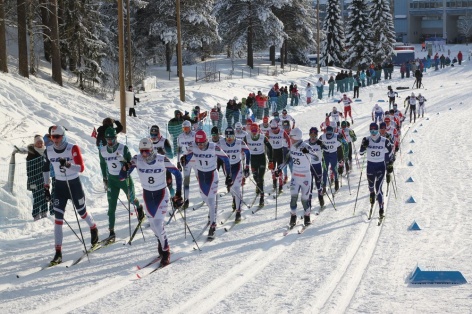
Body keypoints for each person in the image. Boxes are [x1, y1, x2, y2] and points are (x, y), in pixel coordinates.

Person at [121, 138, 183, 266]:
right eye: (142, 151)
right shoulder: (136, 159)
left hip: (161, 194)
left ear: (152, 150)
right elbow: (122, 177)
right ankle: (161, 241)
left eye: (147, 152)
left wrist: (178, 194)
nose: (144, 155)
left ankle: (166, 252)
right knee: (154, 226)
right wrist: (125, 168)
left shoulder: (161, 159)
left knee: (158, 224)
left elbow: (178, 174)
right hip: (147, 195)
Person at [43, 125, 99, 265]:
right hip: (60, 187)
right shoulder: (48, 150)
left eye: (57, 137)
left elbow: (81, 167)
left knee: (82, 212)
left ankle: (93, 227)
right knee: (58, 219)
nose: (55, 140)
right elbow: (45, 169)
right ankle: (58, 253)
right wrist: (46, 187)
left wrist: (68, 165)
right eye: (52, 137)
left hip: (73, 184)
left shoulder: (72, 148)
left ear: (63, 136)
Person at [181, 130, 231, 238]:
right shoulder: (193, 146)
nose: (200, 146)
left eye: (203, 143)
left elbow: (226, 158)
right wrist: (184, 160)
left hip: (212, 175)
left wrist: (229, 175)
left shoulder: (213, 147)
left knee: (212, 200)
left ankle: (213, 225)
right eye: (198, 143)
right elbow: (187, 158)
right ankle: (212, 212)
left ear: (206, 141)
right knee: (205, 198)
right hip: (201, 176)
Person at [99, 127, 144, 242]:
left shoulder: (123, 148)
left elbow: (130, 163)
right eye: (107, 139)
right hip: (112, 181)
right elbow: (103, 164)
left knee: (131, 199)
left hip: (124, 179)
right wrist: (105, 178)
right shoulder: (103, 150)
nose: (110, 141)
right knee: (111, 206)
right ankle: (111, 232)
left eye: (112, 139)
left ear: (116, 137)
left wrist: (124, 161)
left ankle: (139, 208)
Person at [277, 128, 315, 227]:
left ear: (295, 137)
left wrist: (306, 151)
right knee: (293, 197)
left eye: (291, 137)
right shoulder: (292, 147)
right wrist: (279, 169)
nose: (289, 138)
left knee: (304, 199)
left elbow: (317, 157)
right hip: (295, 176)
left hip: (306, 176)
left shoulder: (306, 146)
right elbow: (287, 159)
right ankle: (293, 216)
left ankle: (307, 216)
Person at [359, 123, 394, 218]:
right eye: (371, 130)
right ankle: (371, 193)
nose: (373, 132)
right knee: (371, 187)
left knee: (378, 188)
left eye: (375, 130)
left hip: (380, 167)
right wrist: (363, 145)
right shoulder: (367, 139)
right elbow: (361, 153)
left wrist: (390, 163)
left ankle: (381, 208)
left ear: (378, 130)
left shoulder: (384, 141)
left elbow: (391, 152)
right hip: (370, 166)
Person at [219, 127, 251, 221]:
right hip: (227, 167)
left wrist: (247, 167)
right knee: (231, 188)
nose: (229, 139)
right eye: (227, 136)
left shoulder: (239, 142)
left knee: (236, 188)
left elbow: (248, 152)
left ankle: (238, 211)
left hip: (237, 166)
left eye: (231, 136)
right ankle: (234, 199)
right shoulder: (221, 142)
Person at [246, 123, 272, 207]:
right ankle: (258, 186)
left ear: (258, 130)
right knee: (255, 177)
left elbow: (270, 147)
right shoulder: (247, 137)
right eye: (252, 130)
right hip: (253, 158)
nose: (254, 132)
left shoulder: (262, 137)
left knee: (260, 178)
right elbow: (241, 145)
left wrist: (271, 160)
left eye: (255, 130)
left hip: (261, 158)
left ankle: (262, 196)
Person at [26, 135, 48, 220]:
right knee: (37, 196)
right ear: (35, 144)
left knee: (45, 195)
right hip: (34, 179)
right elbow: (29, 170)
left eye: (41, 142)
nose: (40, 144)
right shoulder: (31, 154)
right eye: (38, 142)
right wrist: (31, 182)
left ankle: (44, 212)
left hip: (44, 178)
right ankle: (36, 214)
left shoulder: (45, 152)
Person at [304, 127, 325, 214]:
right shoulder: (305, 142)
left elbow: (326, 149)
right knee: (310, 185)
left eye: (315, 135)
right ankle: (309, 203)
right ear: (309, 134)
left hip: (317, 166)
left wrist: (322, 144)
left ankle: (320, 197)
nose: (313, 136)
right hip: (309, 166)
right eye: (311, 134)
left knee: (318, 183)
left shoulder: (319, 143)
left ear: (317, 135)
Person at [149, 125, 175, 196]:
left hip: (165, 166)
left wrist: (163, 152)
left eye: (155, 136)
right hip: (154, 168)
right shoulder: (148, 142)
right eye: (152, 135)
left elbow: (171, 156)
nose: (153, 138)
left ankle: (173, 199)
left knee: (169, 185)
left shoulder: (164, 141)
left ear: (159, 134)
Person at [267, 120, 291, 192]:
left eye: (275, 128)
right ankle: (274, 180)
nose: (274, 130)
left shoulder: (282, 132)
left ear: (278, 127)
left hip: (279, 151)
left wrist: (289, 147)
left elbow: (288, 139)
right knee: (272, 167)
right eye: (272, 129)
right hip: (271, 151)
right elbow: (264, 138)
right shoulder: (269, 131)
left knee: (279, 168)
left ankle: (280, 183)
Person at [319, 125, 344, 193]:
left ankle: (336, 182)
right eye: (328, 134)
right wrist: (320, 146)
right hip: (326, 154)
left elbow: (343, 142)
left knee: (334, 169)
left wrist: (342, 137)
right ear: (326, 132)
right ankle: (324, 186)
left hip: (333, 154)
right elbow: (318, 143)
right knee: (325, 170)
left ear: (333, 132)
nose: (329, 135)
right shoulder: (322, 136)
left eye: (330, 134)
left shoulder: (336, 136)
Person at [177, 120, 195, 209]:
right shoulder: (180, 137)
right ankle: (186, 200)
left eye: (187, 128)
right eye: (184, 128)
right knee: (186, 181)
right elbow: (178, 149)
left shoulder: (195, 135)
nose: (185, 130)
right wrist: (177, 162)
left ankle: (204, 194)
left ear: (190, 127)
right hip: (186, 160)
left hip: (195, 159)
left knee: (199, 177)